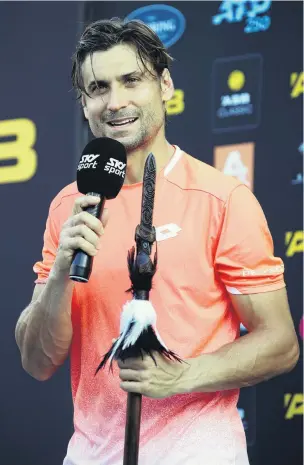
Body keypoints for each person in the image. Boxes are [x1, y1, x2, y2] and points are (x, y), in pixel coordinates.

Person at [15, 18, 299, 465]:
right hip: (90, 455)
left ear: (165, 85)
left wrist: (180, 376)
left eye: (131, 80)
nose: (116, 102)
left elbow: (281, 342)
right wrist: (58, 275)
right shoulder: (68, 207)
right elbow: (37, 360)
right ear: (84, 103)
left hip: (200, 453)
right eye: (99, 87)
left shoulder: (222, 198)